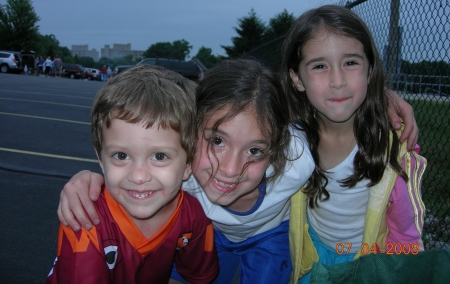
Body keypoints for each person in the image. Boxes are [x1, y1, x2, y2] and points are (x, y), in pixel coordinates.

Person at [56, 59, 418, 283]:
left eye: (256, 151)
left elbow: (332, 106)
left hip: (268, 238)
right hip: (207, 235)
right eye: (216, 140)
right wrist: (89, 180)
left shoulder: (300, 156)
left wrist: (378, 96)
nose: (229, 170)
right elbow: (140, 144)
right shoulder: (177, 170)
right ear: (189, 132)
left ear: (276, 150)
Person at [281, 5, 427, 284]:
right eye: (320, 66)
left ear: (370, 69)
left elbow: (404, 229)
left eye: (350, 63)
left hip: (369, 261)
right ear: (297, 79)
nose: (338, 81)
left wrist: (405, 272)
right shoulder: (290, 139)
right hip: (311, 257)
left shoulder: (392, 148)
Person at [45, 65, 218, 284]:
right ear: (100, 159)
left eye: (160, 156)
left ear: (187, 164)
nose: (138, 177)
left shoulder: (193, 216)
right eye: (121, 155)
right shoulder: (84, 219)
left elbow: (196, 277)